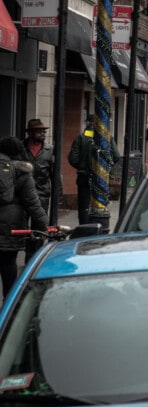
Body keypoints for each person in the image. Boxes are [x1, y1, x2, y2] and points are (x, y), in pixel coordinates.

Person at [0, 136, 49, 299]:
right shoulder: (23, 173)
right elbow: (33, 205)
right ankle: (9, 303)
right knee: (8, 265)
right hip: (11, 227)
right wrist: (45, 226)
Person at [20, 119, 57, 214]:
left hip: (42, 194)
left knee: (40, 225)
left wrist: (58, 195)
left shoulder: (50, 150)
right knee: (22, 226)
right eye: (39, 131)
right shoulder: (20, 147)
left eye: (44, 131)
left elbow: (55, 174)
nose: (43, 133)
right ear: (30, 132)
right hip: (23, 193)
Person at [68, 117, 97, 225]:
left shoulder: (80, 138)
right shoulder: (105, 137)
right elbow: (116, 155)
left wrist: (81, 167)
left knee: (84, 206)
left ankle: (84, 227)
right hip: (100, 178)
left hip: (83, 176)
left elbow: (73, 159)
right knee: (99, 205)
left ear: (88, 123)